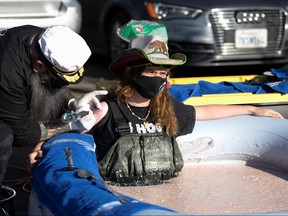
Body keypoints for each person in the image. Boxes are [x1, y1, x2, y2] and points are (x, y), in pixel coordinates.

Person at [0, 25, 106, 186]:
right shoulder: (7, 71)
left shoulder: (44, 40)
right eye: (59, 80)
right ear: (38, 65)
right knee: (4, 135)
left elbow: (49, 85)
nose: (60, 85)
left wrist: (71, 103)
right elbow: (21, 132)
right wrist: (69, 125)